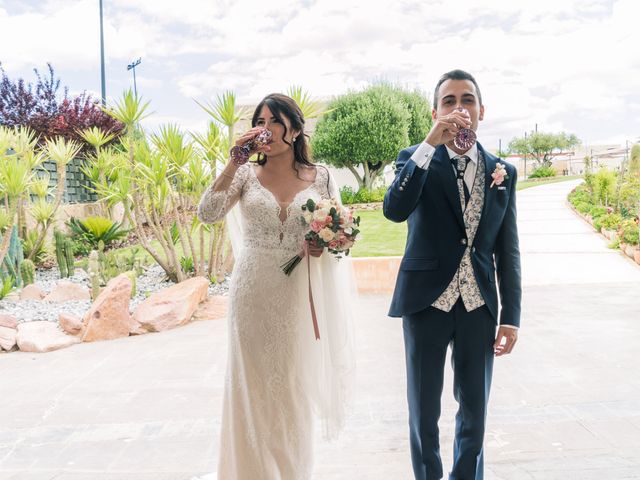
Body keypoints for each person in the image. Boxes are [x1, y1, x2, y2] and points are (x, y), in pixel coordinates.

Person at [197, 93, 354, 480]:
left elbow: (340, 236)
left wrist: (325, 244)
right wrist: (233, 162)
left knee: (293, 386)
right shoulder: (246, 175)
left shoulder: (321, 176)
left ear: (295, 129)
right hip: (253, 291)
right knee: (253, 387)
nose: (264, 129)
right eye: (260, 121)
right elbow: (208, 213)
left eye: (274, 121)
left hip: (299, 291)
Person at [383, 70, 521, 480]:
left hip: (478, 305)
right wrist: (430, 143)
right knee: (424, 411)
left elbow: (507, 251)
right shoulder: (414, 157)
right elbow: (394, 209)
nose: (458, 107)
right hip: (425, 301)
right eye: (448, 100)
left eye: (467, 99)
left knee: (475, 412)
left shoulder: (503, 173)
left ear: (481, 110)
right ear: (435, 110)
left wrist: (510, 315)